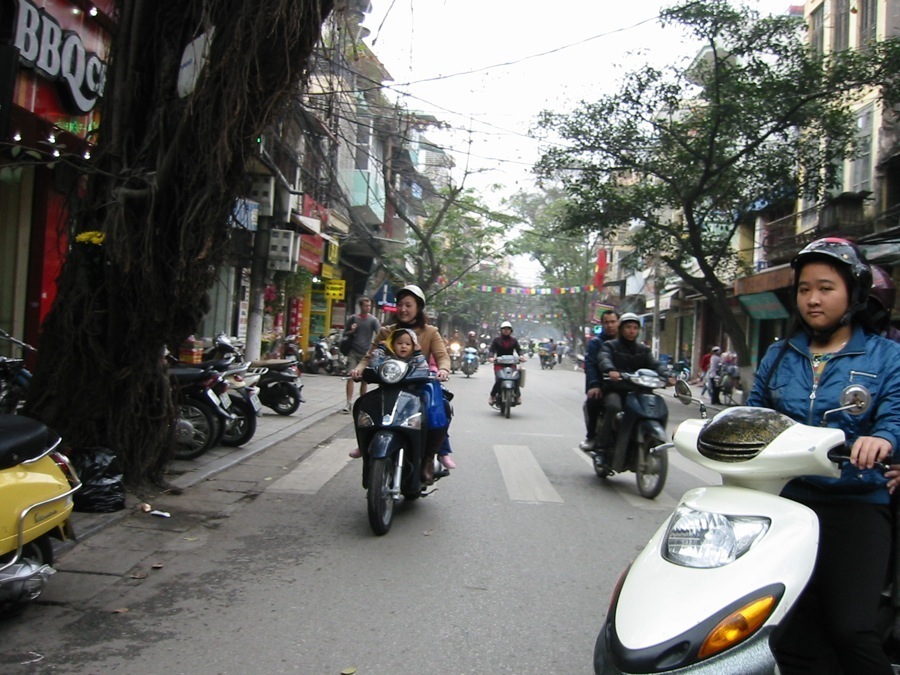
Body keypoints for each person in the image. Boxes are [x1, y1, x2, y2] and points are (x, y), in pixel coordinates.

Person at [748, 237, 900, 674]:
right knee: (779, 628)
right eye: (804, 288)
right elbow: (754, 415)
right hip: (785, 503)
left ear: (853, 292)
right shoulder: (779, 355)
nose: (812, 299)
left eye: (826, 287)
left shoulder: (887, 356)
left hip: (855, 503)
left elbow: (894, 414)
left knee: (850, 629)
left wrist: (883, 439)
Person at [350, 285, 451, 483]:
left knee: (441, 409)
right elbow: (368, 357)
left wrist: (444, 369)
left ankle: (429, 458)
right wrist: (359, 369)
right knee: (361, 406)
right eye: (400, 304)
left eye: (408, 305)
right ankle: (364, 445)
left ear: (418, 307)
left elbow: (442, 357)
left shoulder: (431, 332)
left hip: (419, 387)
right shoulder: (386, 332)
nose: (403, 309)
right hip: (389, 387)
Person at [596, 313, 675, 464]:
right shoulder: (610, 346)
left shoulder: (643, 349)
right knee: (613, 407)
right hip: (617, 389)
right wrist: (610, 369)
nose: (631, 331)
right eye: (628, 327)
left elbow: (655, 364)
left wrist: (668, 375)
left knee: (657, 407)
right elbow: (604, 358)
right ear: (621, 329)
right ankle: (602, 449)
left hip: (639, 391)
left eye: (635, 328)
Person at [580, 310, 619, 452]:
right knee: (595, 401)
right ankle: (593, 437)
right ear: (602, 324)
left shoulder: (628, 342)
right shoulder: (596, 343)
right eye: (606, 322)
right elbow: (591, 365)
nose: (610, 325)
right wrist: (594, 385)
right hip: (604, 385)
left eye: (613, 322)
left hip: (626, 386)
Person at [341, 297, 380, 413]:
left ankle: (363, 403)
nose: (368, 308)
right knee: (350, 376)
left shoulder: (373, 320)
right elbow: (345, 333)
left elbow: (380, 334)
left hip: (366, 353)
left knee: (364, 380)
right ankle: (348, 403)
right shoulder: (353, 319)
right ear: (361, 306)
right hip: (353, 351)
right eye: (366, 306)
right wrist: (351, 331)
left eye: (369, 306)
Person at [487, 320, 525, 406]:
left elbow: (519, 350)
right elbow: (491, 350)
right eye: (504, 329)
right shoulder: (497, 340)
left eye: (508, 329)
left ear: (511, 331)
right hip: (499, 364)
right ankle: (492, 396)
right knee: (499, 379)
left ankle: (518, 396)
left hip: (511, 363)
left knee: (515, 379)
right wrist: (491, 357)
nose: (506, 330)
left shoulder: (514, 341)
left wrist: (521, 356)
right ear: (501, 330)